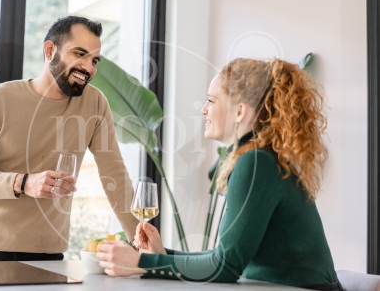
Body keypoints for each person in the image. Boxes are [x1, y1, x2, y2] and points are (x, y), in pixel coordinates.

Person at [96, 58, 342, 290]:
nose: (204, 110)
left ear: (239, 112)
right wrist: (162, 255)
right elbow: (223, 258)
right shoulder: (262, 158)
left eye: (212, 101)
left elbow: (226, 267)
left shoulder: (255, 163)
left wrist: (139, 264)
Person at [0, 16, 139, 263]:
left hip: (49, 254)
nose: (89, 67)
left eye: (94, 60)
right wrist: (25, 183)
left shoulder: (95, 104)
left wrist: (139, 241)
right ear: (50, 50)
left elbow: (115, 175)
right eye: (80, 54)